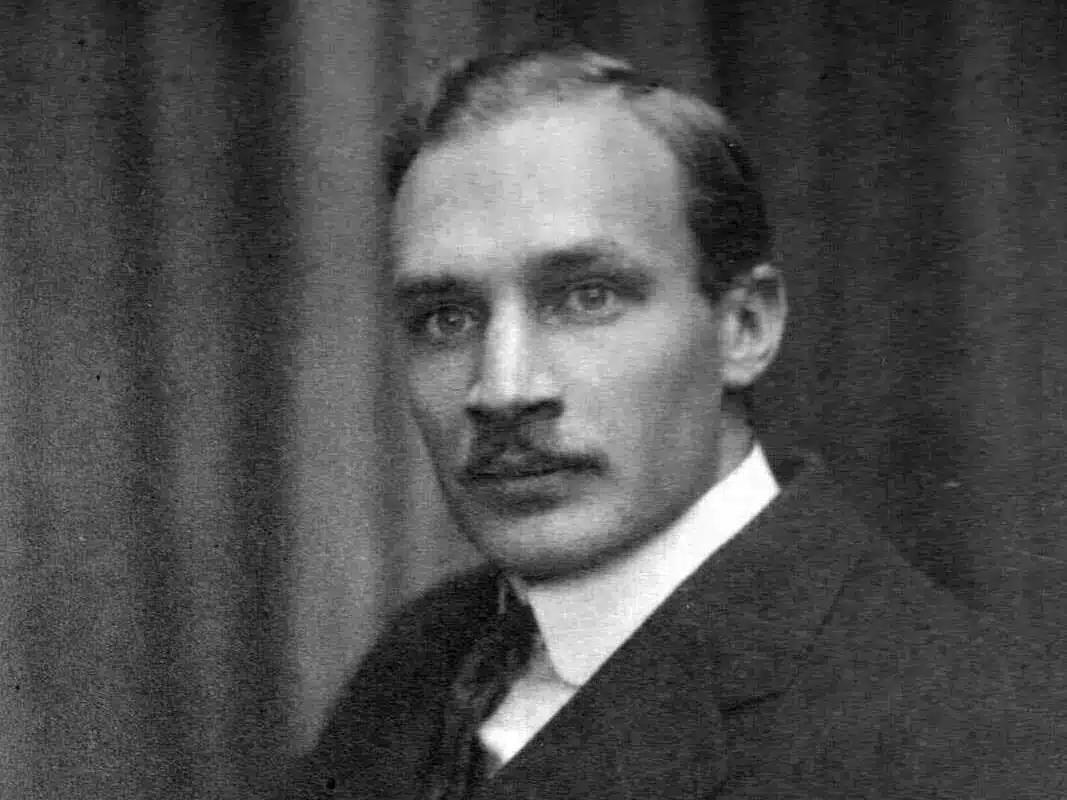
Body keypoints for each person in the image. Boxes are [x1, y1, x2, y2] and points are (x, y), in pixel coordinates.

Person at [280, 44, 1066, 799]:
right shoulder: (423, 662)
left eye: (586, 297)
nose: (502, 387)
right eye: (446, 318)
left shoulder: (974, 739)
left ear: (743, 328)